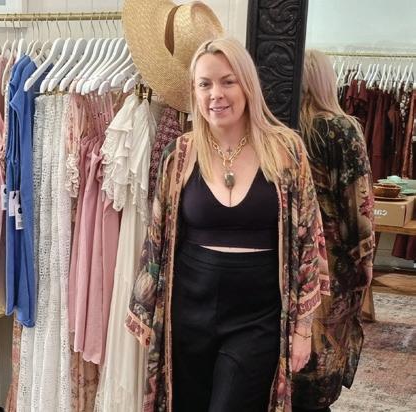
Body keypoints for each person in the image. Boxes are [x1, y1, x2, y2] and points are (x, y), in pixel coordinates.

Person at [126, 37, 329, 412]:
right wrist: (147, 314)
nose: (215, 94)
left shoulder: (286, 151)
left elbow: (308, 242)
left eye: (227, 81)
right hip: (188, 310)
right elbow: (157, 240)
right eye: (204, 84)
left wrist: (303, 329)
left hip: (258, 317)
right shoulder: (179, 155)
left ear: (247, 85)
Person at [291, 49, 376, 412]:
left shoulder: (280, 129)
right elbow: (359, 206)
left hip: (290, 264)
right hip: (333, 267)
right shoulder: (341, 130)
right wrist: (365, 267)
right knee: (320, 370)